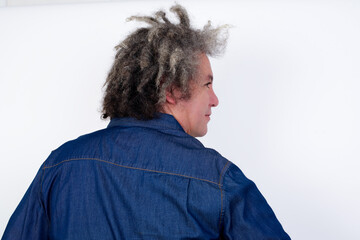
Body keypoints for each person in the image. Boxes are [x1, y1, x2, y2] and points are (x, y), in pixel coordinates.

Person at [2, 4, 290, 240]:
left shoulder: (61, 165)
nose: (215, 100)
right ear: (172, 89)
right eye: (207, 85)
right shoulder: (217, 178)